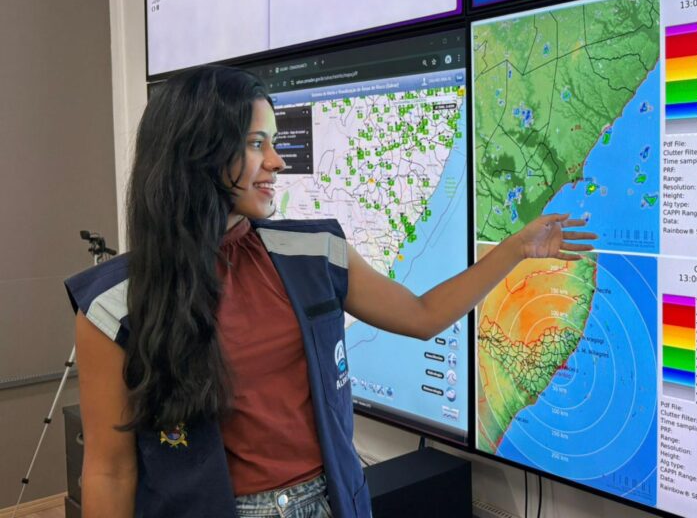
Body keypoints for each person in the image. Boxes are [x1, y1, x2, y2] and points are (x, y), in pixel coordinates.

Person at [68, 65, 595, 518]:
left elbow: (422, 315)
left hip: (329, 504)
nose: (277, 161)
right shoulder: (113, 306)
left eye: (274, 143)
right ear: (198, 151)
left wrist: (516, 249)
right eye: (256, 144)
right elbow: (110, 472)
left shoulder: (315, 253)